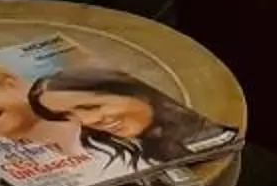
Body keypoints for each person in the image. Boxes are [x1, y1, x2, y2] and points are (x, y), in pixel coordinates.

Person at [24, 66, 233, 178]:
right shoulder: (107, 150)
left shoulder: (199, 130)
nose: (87, 121)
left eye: (91, 107)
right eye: (67, 116)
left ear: (130, 91)